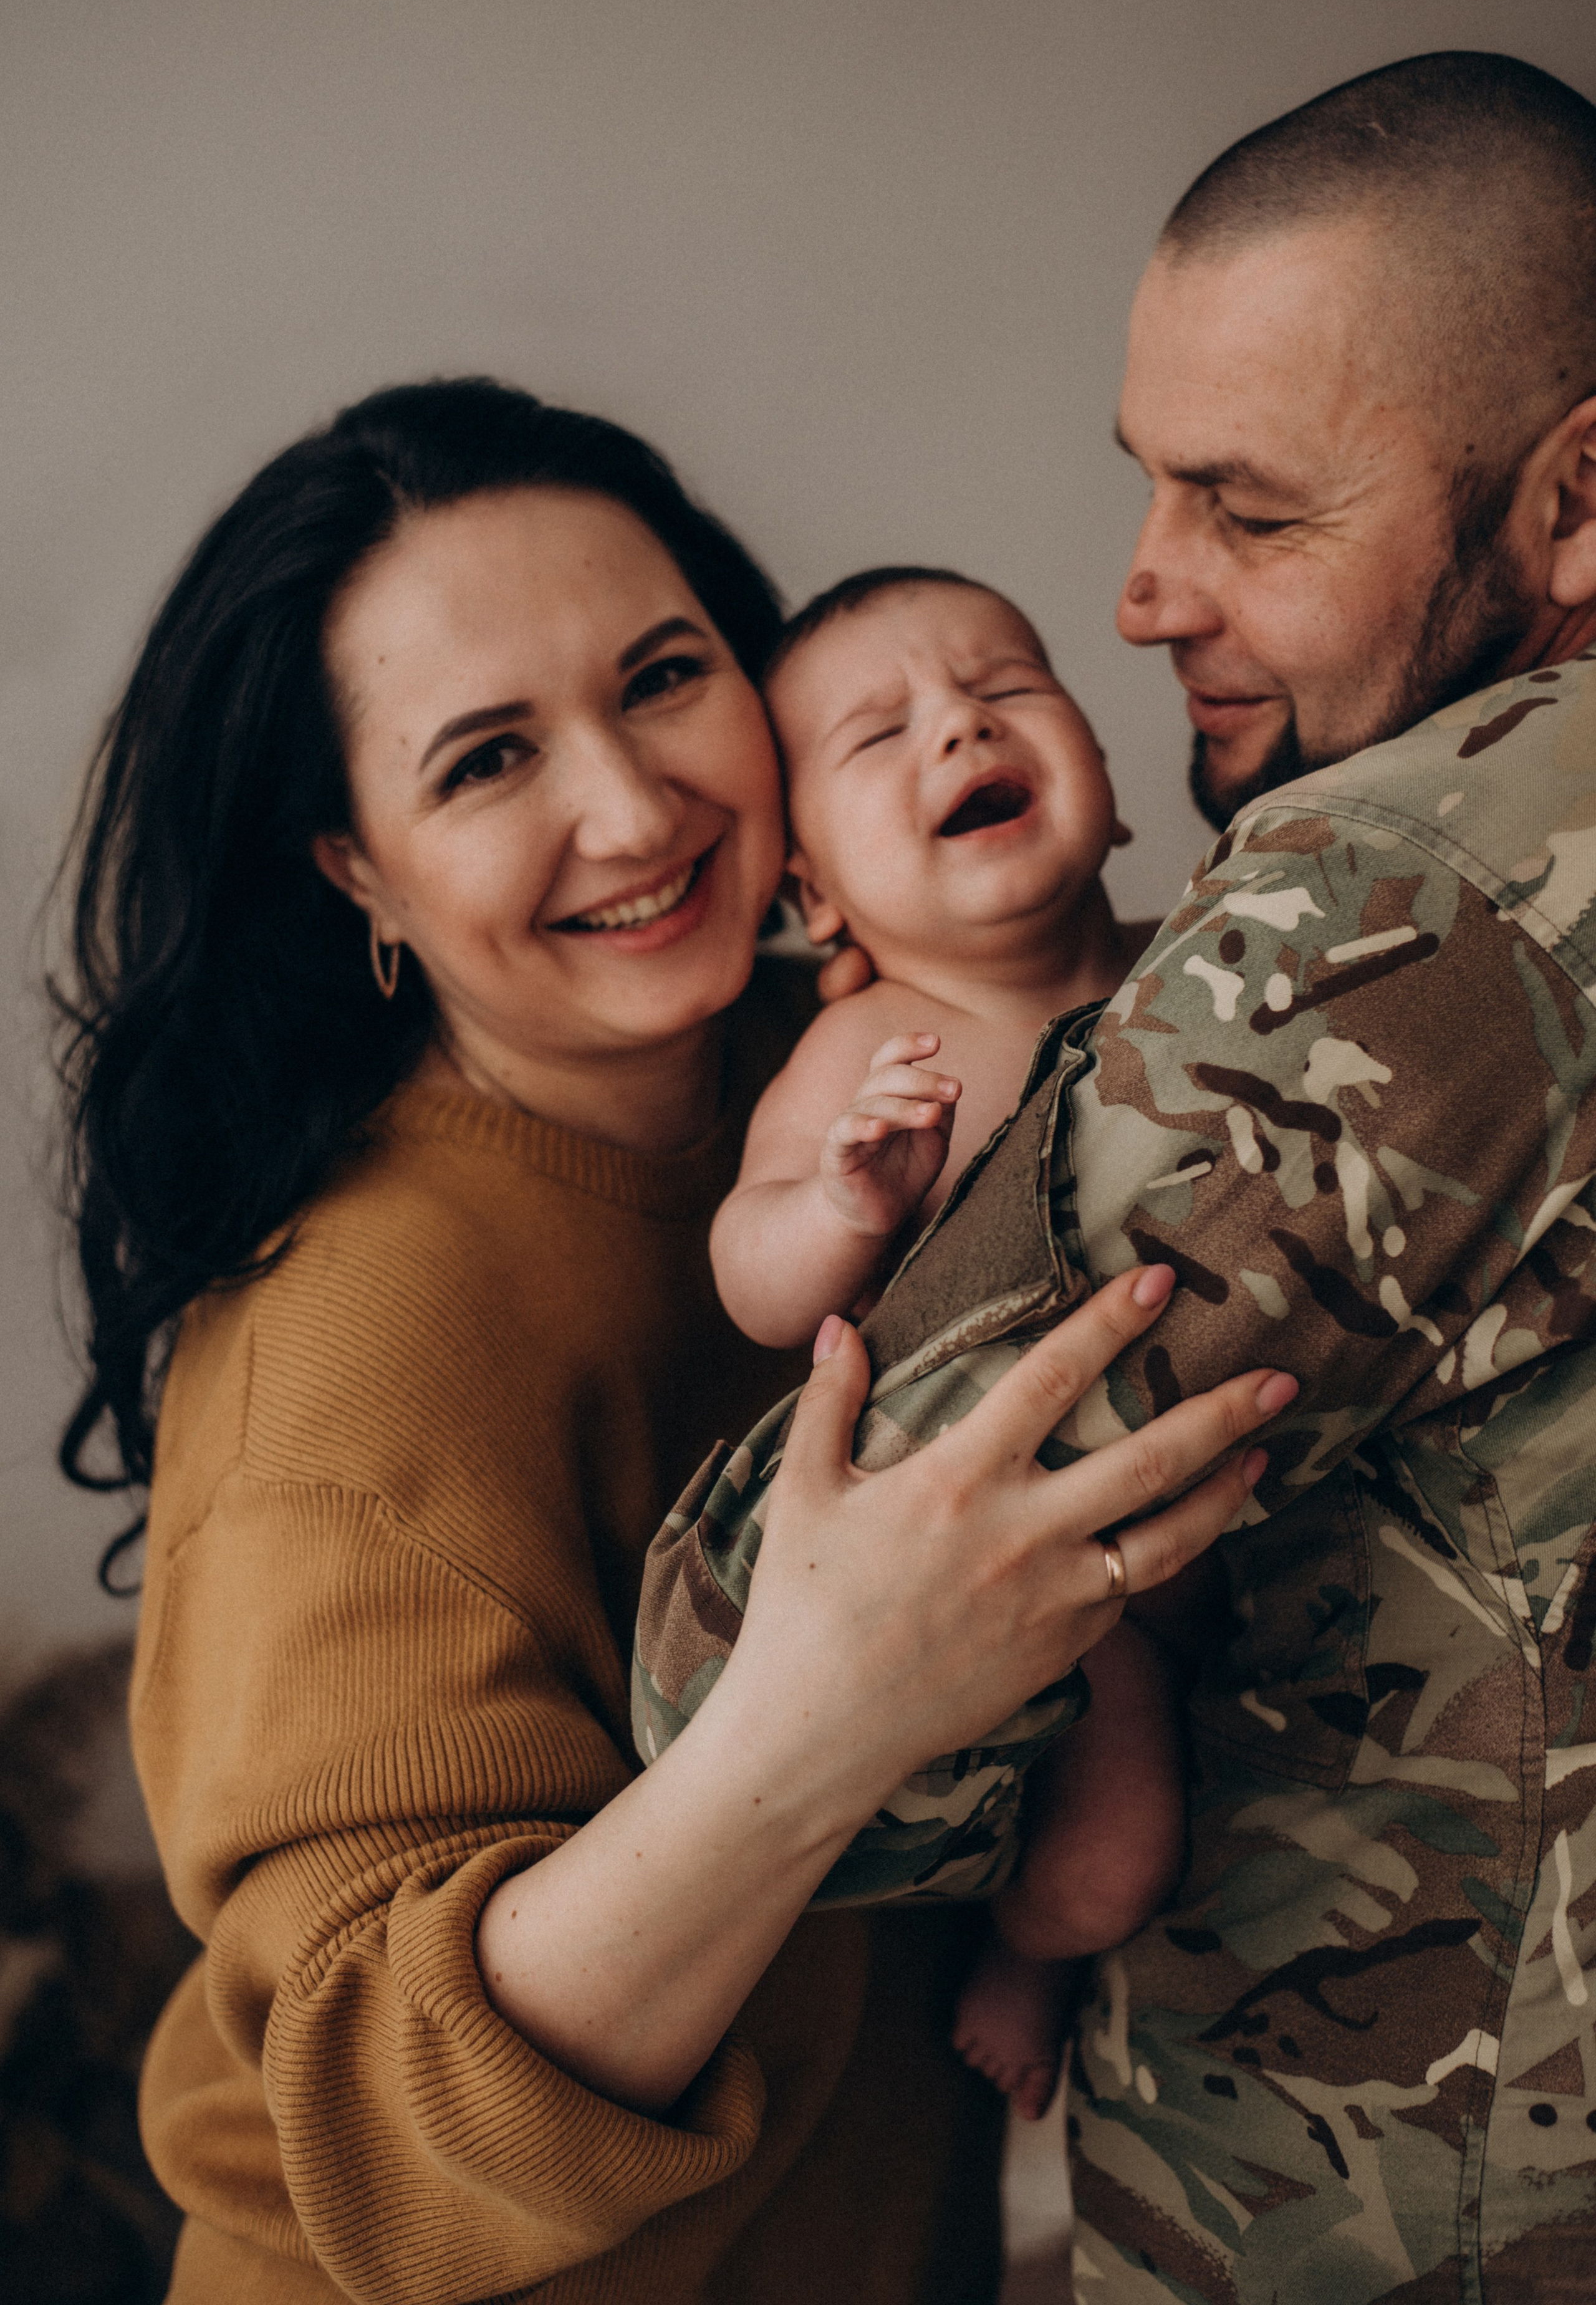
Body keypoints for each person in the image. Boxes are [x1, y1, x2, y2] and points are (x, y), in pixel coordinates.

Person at [54, 376, 1288, 2305]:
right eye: (481, 762)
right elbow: (375, 2145)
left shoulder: (849, 1074)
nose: (634, 810)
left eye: (660, 677)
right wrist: (826, 1714)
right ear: (352, 870)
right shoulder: (347, 1358)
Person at [635, 53, 1596, 2301]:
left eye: (1252, 512)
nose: (1145, 591)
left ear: (1577, 500)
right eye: (1150, 488)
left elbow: (785, 1694)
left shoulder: (1414, 891)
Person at [709, 562, 1177, 2121]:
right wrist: (845, 1199)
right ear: (813, 899)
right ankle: (1029, 1953)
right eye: (878, 730)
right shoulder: (874, 1047)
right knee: (1116, 1859)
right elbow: (752, 1279)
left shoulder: (1203, 967)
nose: (955, 724)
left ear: (1106, 791)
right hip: (1043, 1557)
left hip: (1257, 1496)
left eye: (1005, 684)